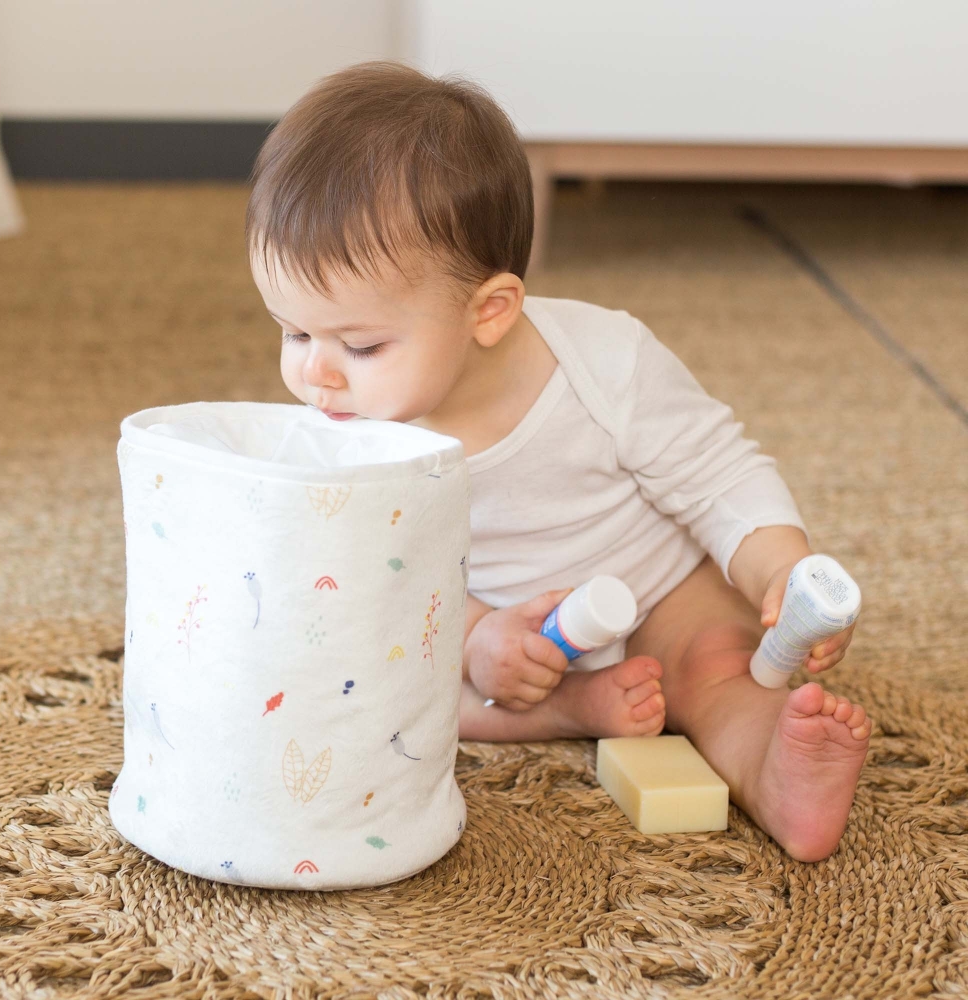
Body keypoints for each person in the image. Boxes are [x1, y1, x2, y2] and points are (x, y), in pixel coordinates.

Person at [244, 61, 871, 862]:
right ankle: (567, 708)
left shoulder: (605, 362)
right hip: (486, 627)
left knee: (721, 663)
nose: (315, 375)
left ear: (490, 311)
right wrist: (475, 639)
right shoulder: (342, 430)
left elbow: (720, 473)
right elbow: (376, 576)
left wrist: (779, 568)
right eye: (294, 333)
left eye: (359, 345)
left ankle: (776, 771)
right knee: (376, 680)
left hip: (659, 593)